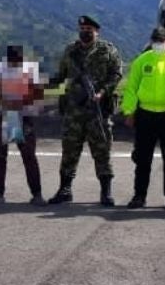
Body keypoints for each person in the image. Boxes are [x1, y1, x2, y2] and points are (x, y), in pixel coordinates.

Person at [47, 16, 123, 205]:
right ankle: (65, 190)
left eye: (89, 28)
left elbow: (116, 74)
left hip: (97, 111)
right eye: (83, 28)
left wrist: (102, 92)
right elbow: (61, 74)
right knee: (69, 151)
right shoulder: (70, 50)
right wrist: (42, 84)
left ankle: (106, 193)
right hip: (74, 111)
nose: (85, 31)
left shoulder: (107, 50)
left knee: (102, 151)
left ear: (97, 31)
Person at [121, 26, 165, 211]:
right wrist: (129, 111)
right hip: (146, 114)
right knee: (142, 158)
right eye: (156, 41)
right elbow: (131, 88)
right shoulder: (142, 60)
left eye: (162, 41)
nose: (159, 44)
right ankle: (139, 196)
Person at [0, 45, 46, 206]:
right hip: (5, 115)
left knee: (28, 157)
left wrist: (18, 103)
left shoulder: (29, 69)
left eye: (17, 61)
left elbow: (37, 92)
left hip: (21, 115)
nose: (15, 65)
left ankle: (37, 194)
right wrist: (10, 103)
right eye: (13, 62)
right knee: (1, 157)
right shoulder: (0, 68)